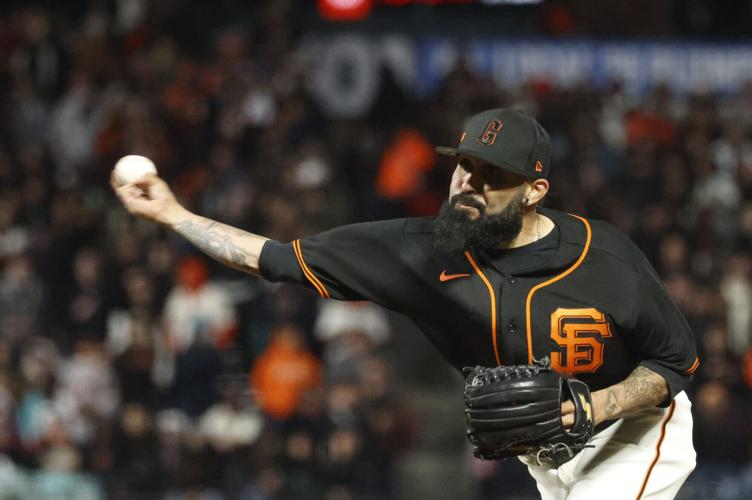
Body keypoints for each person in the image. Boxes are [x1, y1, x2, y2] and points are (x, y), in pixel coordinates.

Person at [112, 109, 699, 499]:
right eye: (463, 164)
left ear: (534, 191)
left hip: (633, 431)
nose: (467, 181)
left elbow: (675, 364)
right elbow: (273, 258)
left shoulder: (605, 257)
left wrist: (596, 407)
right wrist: (173, 214)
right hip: (546, 453)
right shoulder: (419, 251)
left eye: (492, 174)